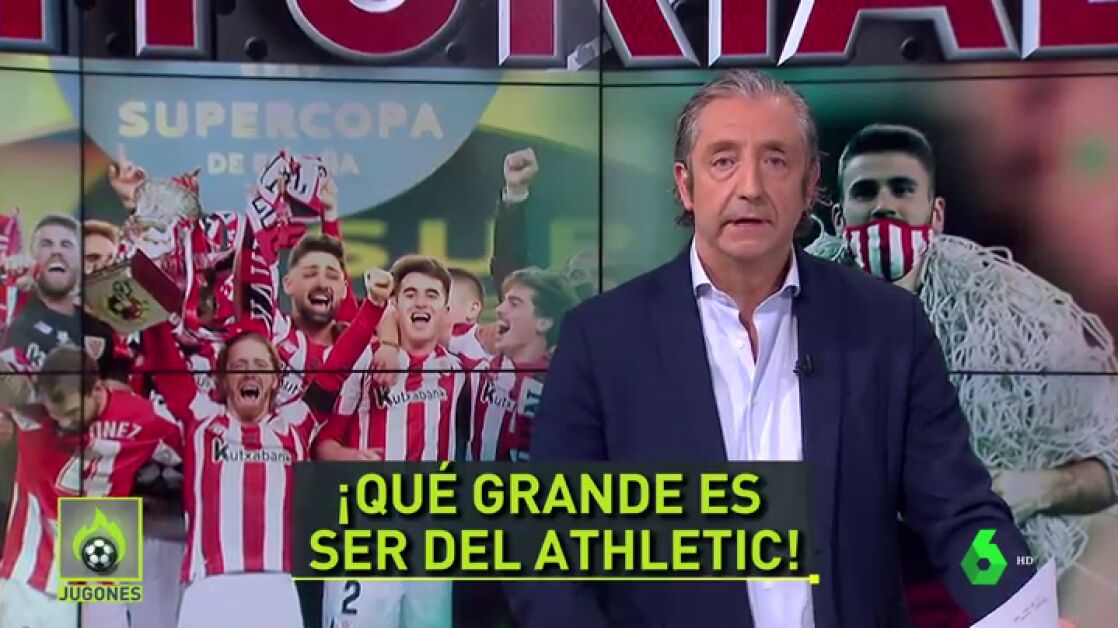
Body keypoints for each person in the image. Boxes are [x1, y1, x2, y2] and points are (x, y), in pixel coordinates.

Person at [507, 70, 1035, 628]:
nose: (751, 187)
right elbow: (547, 554)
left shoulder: (888, 327)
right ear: (686, 185)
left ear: (809, 187)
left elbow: (963, 521)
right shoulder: (602, 340)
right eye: (723, 161)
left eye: (776, 160)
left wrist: (1025, 607)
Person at [806, 122, 1118, 626]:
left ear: (936, 214)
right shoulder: (786, 318)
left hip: (970, 564)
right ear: (840, 218)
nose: (884, 206)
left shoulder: (1010, 322)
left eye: (902, 189)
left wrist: (1040, 487)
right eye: (866, 192)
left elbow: (1110, 459)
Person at [317, 255, 469, 628]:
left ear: (445, 309)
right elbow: (324, 444)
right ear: (396, 305)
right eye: (410, 294)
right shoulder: (366, 362)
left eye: (431, 295)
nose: (420, 302)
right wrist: (353, 458)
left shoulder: (460, 370)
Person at [0, 346, 182, 628]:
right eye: (57, 414)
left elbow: (191, 448)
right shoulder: (31, 405)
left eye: (73, 412)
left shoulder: (144, 418)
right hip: (32, 554)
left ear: (97, 388)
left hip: (101, 535)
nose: (64, 422)